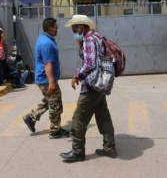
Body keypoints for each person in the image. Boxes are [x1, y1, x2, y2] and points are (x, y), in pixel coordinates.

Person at [60, 15, 116, 163]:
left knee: (79, 117)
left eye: (74, 30)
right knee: (103, 115)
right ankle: (109, 147)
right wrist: (80, 45)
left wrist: (77, 75)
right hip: (99, 84)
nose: (74, 33)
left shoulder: (89, 39)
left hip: (92, 84)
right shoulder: (97, 36)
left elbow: (90, 64)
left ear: (81, 27)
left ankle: (77, 151)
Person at [22, 18, 69, 139]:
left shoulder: (44, 38)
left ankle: (31, 117)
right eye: (55, 27)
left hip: (44, 78)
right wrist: (52, 82)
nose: (57, 29)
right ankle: (55, 130)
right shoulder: (47, 43)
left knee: (49, 100)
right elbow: (48, 64)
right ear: (50, 29)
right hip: (46, 79)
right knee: (55, 104)